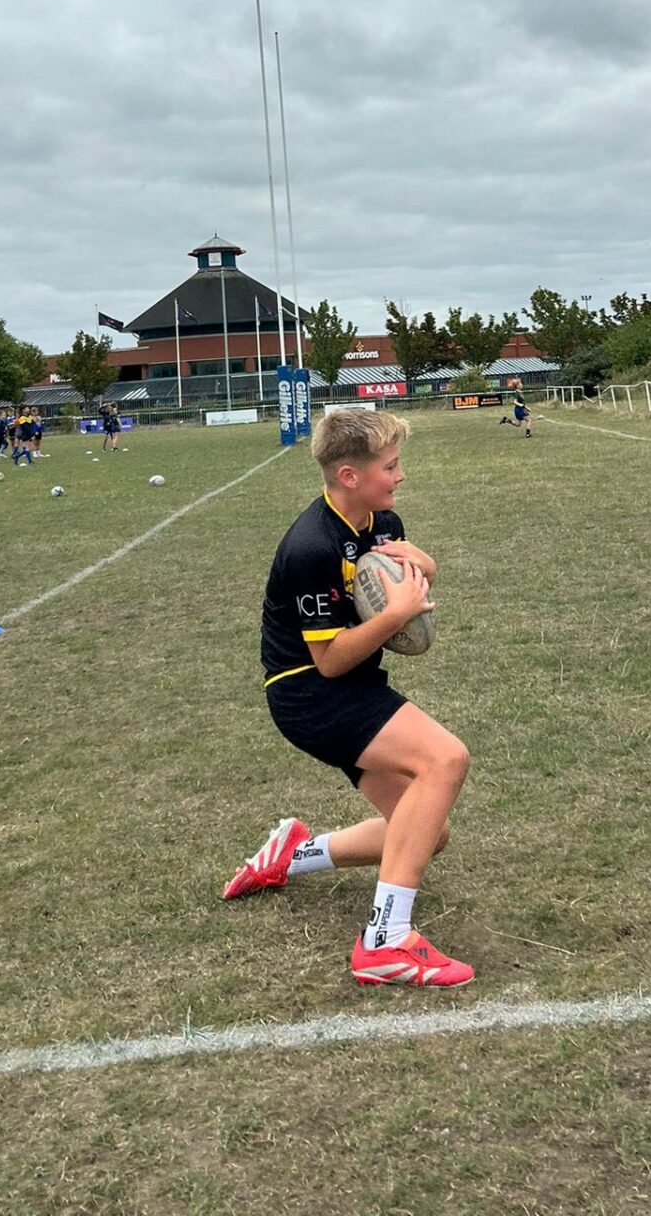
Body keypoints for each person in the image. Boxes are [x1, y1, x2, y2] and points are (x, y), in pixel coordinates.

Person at [223, 406, 474, 988]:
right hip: (309, 693)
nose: (401, 476)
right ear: (348, 475)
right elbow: (331, 658)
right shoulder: (311, 545)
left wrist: (426, 566)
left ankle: (290, 857)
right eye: (390, 467)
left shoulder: (383, 523)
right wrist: (397, 616)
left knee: (426, 833)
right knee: (445, 759)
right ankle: (386, 941)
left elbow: (401, 583)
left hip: (352, 683)